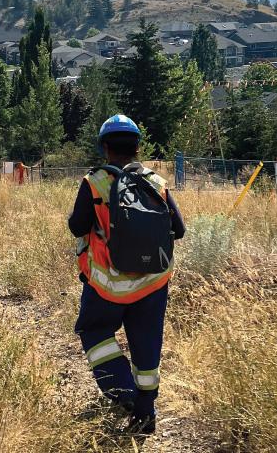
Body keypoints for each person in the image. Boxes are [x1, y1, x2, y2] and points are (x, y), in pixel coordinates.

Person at [67, 114, 185, 435]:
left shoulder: (95, 182)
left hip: (107, 285)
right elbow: (180, 229)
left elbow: (77, 226)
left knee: (94, 332)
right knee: (147, 345)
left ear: (105, 148)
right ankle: (146, 411)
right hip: (153, 283)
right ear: (137, 147)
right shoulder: (155, 182)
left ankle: (123, 393)